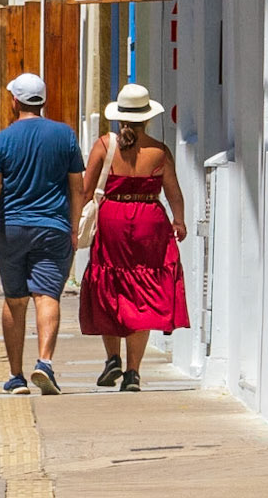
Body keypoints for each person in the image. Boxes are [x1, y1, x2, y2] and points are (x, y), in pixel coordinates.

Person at [0, 72, 84, 397]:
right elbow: (77, 187)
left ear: (14, 101)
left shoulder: (1, 140)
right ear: (43, 100)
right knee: (47, 295)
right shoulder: (64, 135)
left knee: (15, 299)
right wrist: (74, 226)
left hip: (12, 228)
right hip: (54, 227)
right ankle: (45, 362)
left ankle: (15, 376)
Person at [79, 83, 188, 392]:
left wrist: (75, 222)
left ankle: (112, 357)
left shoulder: (104, 145)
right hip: (149, 223)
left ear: (119, 117)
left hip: (112, 220)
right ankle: (133, 372)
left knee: (108, 285)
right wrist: (178, 221)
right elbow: (174, 193)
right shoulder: (159, 150)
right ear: (147, 118)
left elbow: (86, 191)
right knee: (142, 292)